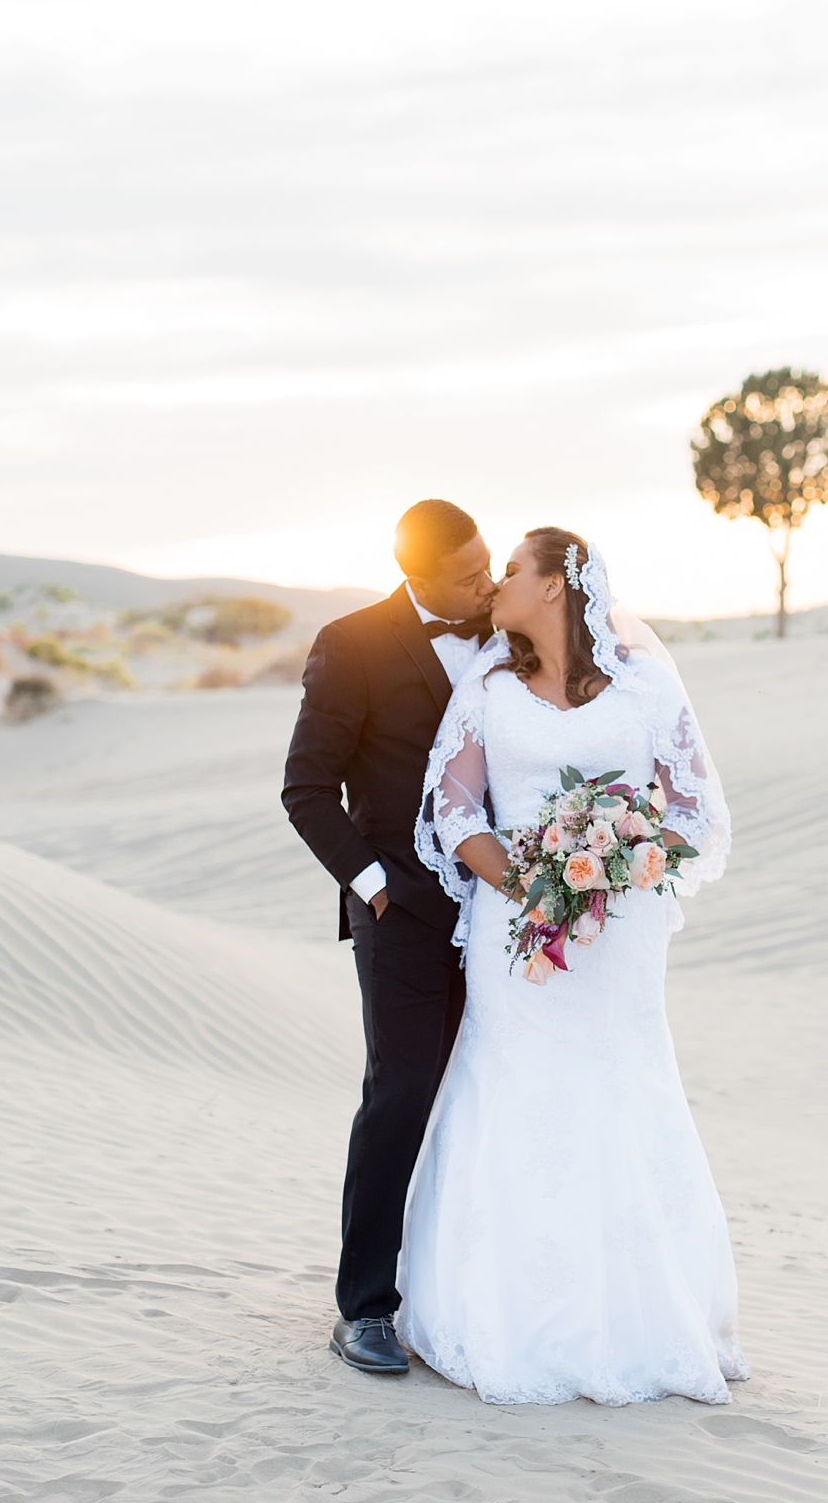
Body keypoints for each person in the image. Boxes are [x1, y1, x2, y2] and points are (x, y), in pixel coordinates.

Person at [403, 527, 748, 1405]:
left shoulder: (643, 687)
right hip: (514, 935)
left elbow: (694, 808)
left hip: (617, 937)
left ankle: (643, 1321)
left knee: (622, 1094)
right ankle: (503, 1314)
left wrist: (625, 857)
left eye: (514, 570)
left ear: (558, 585)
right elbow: (454, 807)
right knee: (515, 1093)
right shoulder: (487, 688)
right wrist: (528, 881)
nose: (499, 583)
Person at [281, 498, 496, 1375]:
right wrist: (370, 888)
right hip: (401, 912)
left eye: (487, 569)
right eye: (466, 577)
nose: (483, 587)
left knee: (487, 1094)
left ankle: (463, 1292)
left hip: (502, 914)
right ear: (417, 576)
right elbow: (305, 788)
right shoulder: (352, 643)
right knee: (401, 1093)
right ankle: (364, 1307)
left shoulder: (507, 632)